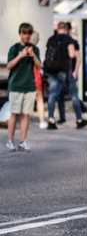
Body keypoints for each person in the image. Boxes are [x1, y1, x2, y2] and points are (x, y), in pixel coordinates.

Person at [43, 21, 87, 129]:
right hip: (64, 71)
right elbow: (72, 54)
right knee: (73, 94)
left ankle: (51, 120)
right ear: (66, 29)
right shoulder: (68, 40)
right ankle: (79, 120)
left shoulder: (51, 39)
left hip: (52, 71)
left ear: (58, 28)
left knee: (52, 94)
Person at [6, 23, 42, 151]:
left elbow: (39, 66)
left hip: (29, 86)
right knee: (14, 114)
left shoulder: (34, 49)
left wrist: (33, 56)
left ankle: (22, 142)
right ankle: (10, 141)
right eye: (24, 33)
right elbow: (9, 65)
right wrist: (21, 55)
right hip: (16, 85)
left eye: (28, 33)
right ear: (20, 34)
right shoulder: (14, 48)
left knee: (26, 115)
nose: (26, 36)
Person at [30, 30, 47, 129]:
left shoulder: (22, 47)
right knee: (39, 98)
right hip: (35, 74)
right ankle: (42, 121)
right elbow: (39, 65)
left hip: (26, 74)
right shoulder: (35, 49)